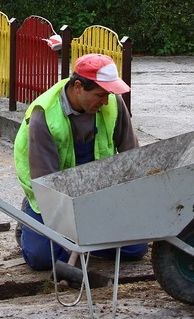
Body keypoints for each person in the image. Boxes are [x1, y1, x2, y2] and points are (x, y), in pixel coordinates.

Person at [13, 53, 148, 271]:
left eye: (108, 94)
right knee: (41, 258)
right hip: (51, 193)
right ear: (78, 86)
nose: (106, 100)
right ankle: (28, 223)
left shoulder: (112, 103)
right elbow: (47, 184)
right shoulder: (44, 115)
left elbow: (132, 158)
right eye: (100, 94)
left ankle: (82, 242)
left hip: (96, 193)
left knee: (136, 249)